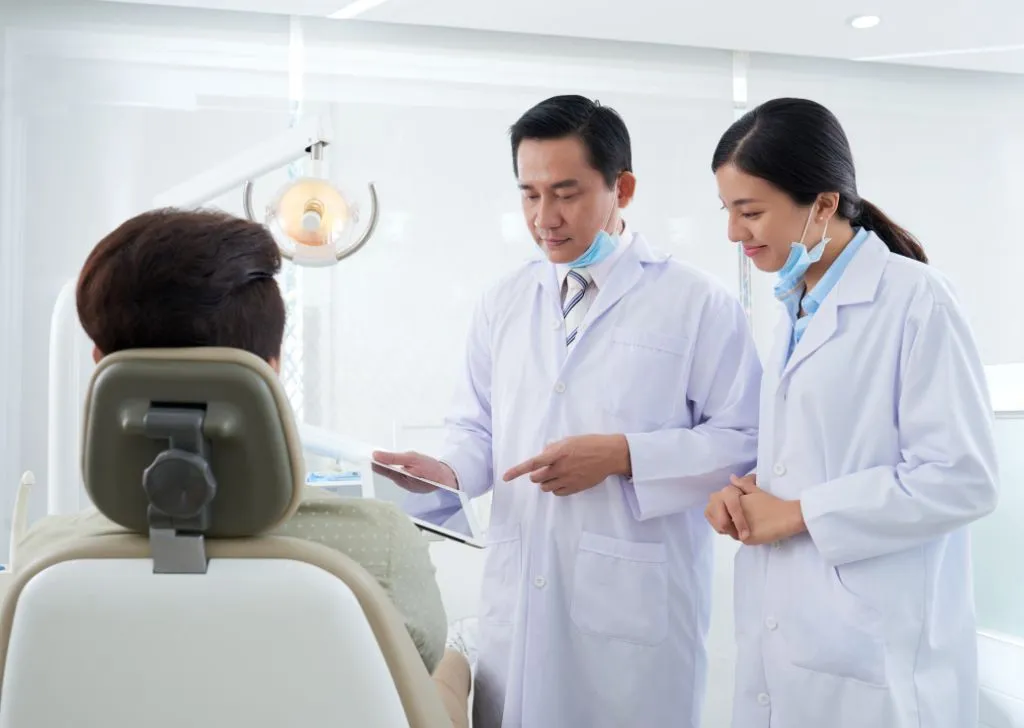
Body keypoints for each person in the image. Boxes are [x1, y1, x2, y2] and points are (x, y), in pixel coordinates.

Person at [374, 95, 761, 728]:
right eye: (529, 195)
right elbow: (477, 427)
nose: (544, 218)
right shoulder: (503, 302)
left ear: (622, 189)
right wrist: (446, 472)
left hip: (633, 614)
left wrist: (624, 456)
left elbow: (744, 440)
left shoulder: (697, 303)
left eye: (566, 193)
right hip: (520, 598)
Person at [15, 209, 471, 728]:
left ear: (100, 364)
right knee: (453, 666)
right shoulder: (379, 546)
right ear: (271, 372)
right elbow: (413, 674)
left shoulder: (41, 561)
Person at [706, 97, 999, 728]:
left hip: (878, 652)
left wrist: (797, 513)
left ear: (823, 204)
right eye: (726, 211)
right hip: (799, 630)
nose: (734, 233)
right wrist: (754, 491)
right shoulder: (796, 306)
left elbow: (962, 478)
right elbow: (826, 454)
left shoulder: (916, 300)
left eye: (750, 212)